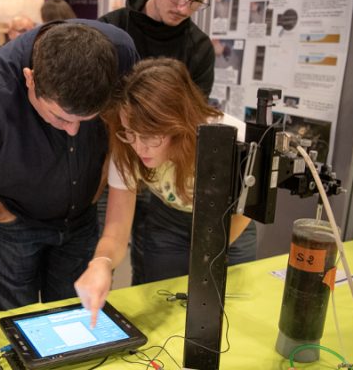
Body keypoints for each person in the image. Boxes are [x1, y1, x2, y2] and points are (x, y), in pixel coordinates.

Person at [0, 19, 139, 313]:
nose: (72, 131)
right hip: (14, 228)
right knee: (17, 326)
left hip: (80, 219)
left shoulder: (120, 54)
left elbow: (123, 122)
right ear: (30, 79)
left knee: (76, 320)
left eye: (85, 120)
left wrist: (100, 178)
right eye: (60, 118)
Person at [74, 58, 257, 326]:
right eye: (130, 133)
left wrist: (207, 253)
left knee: (226, 311)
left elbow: (247, 207)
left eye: (150, 136)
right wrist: (100, 263)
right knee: (160, 303)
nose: (139, 147)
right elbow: (116, 231)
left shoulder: (231, 139)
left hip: (230, 221)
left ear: (179, 125)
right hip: (168, 220)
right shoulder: (127, 146)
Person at [99, 0, 221, 96]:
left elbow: (194, 112)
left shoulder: (200, 48)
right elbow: (88, 104)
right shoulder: (106, 30)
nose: (184, 10)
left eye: (197, 0)